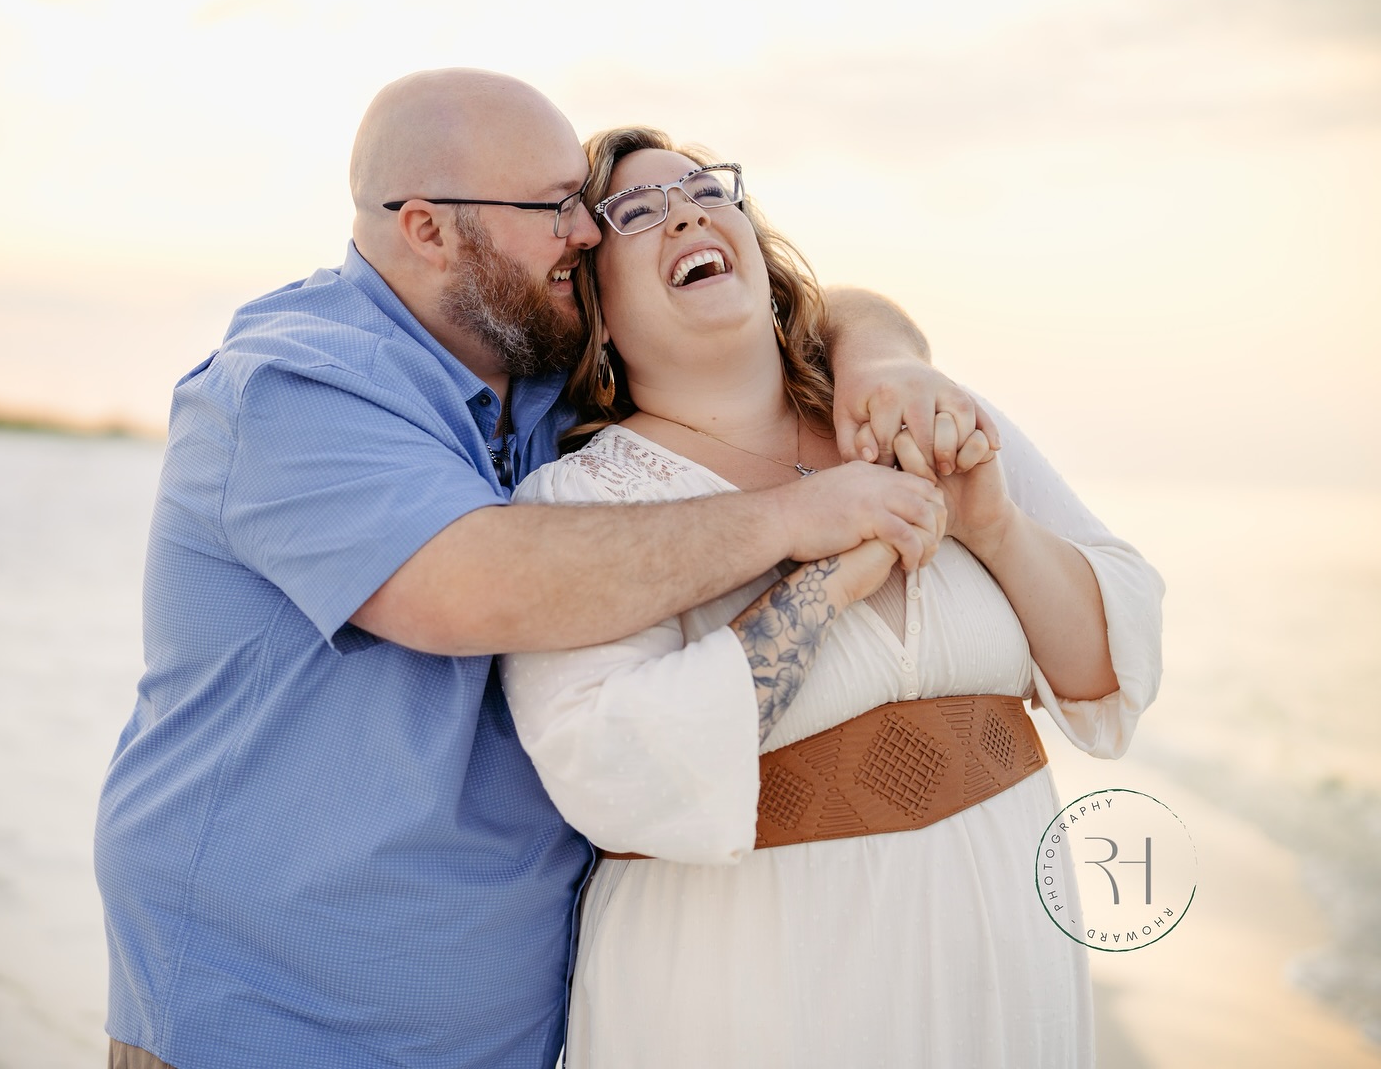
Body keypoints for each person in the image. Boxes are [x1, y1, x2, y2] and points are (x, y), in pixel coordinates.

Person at [93, 70, 988, 1069]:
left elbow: (803, 306)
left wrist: (882, 357)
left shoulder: (534, 367)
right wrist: (795, 515)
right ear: (429, 230)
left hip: (505, 1041)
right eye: (556, 207)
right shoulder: (289, 387)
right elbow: (477, 583)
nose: (589, 232)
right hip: (264, 1029)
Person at [500, 128, 1166, 1068]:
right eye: (636, 212)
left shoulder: (916, 410)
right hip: (755, 989)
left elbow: (1106, 668)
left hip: (1007, 962)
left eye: (704, 189)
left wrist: (995, 528)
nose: (686, 210)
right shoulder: (584, 504)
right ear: (595, 311)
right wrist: (835, 574)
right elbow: (610, 767)